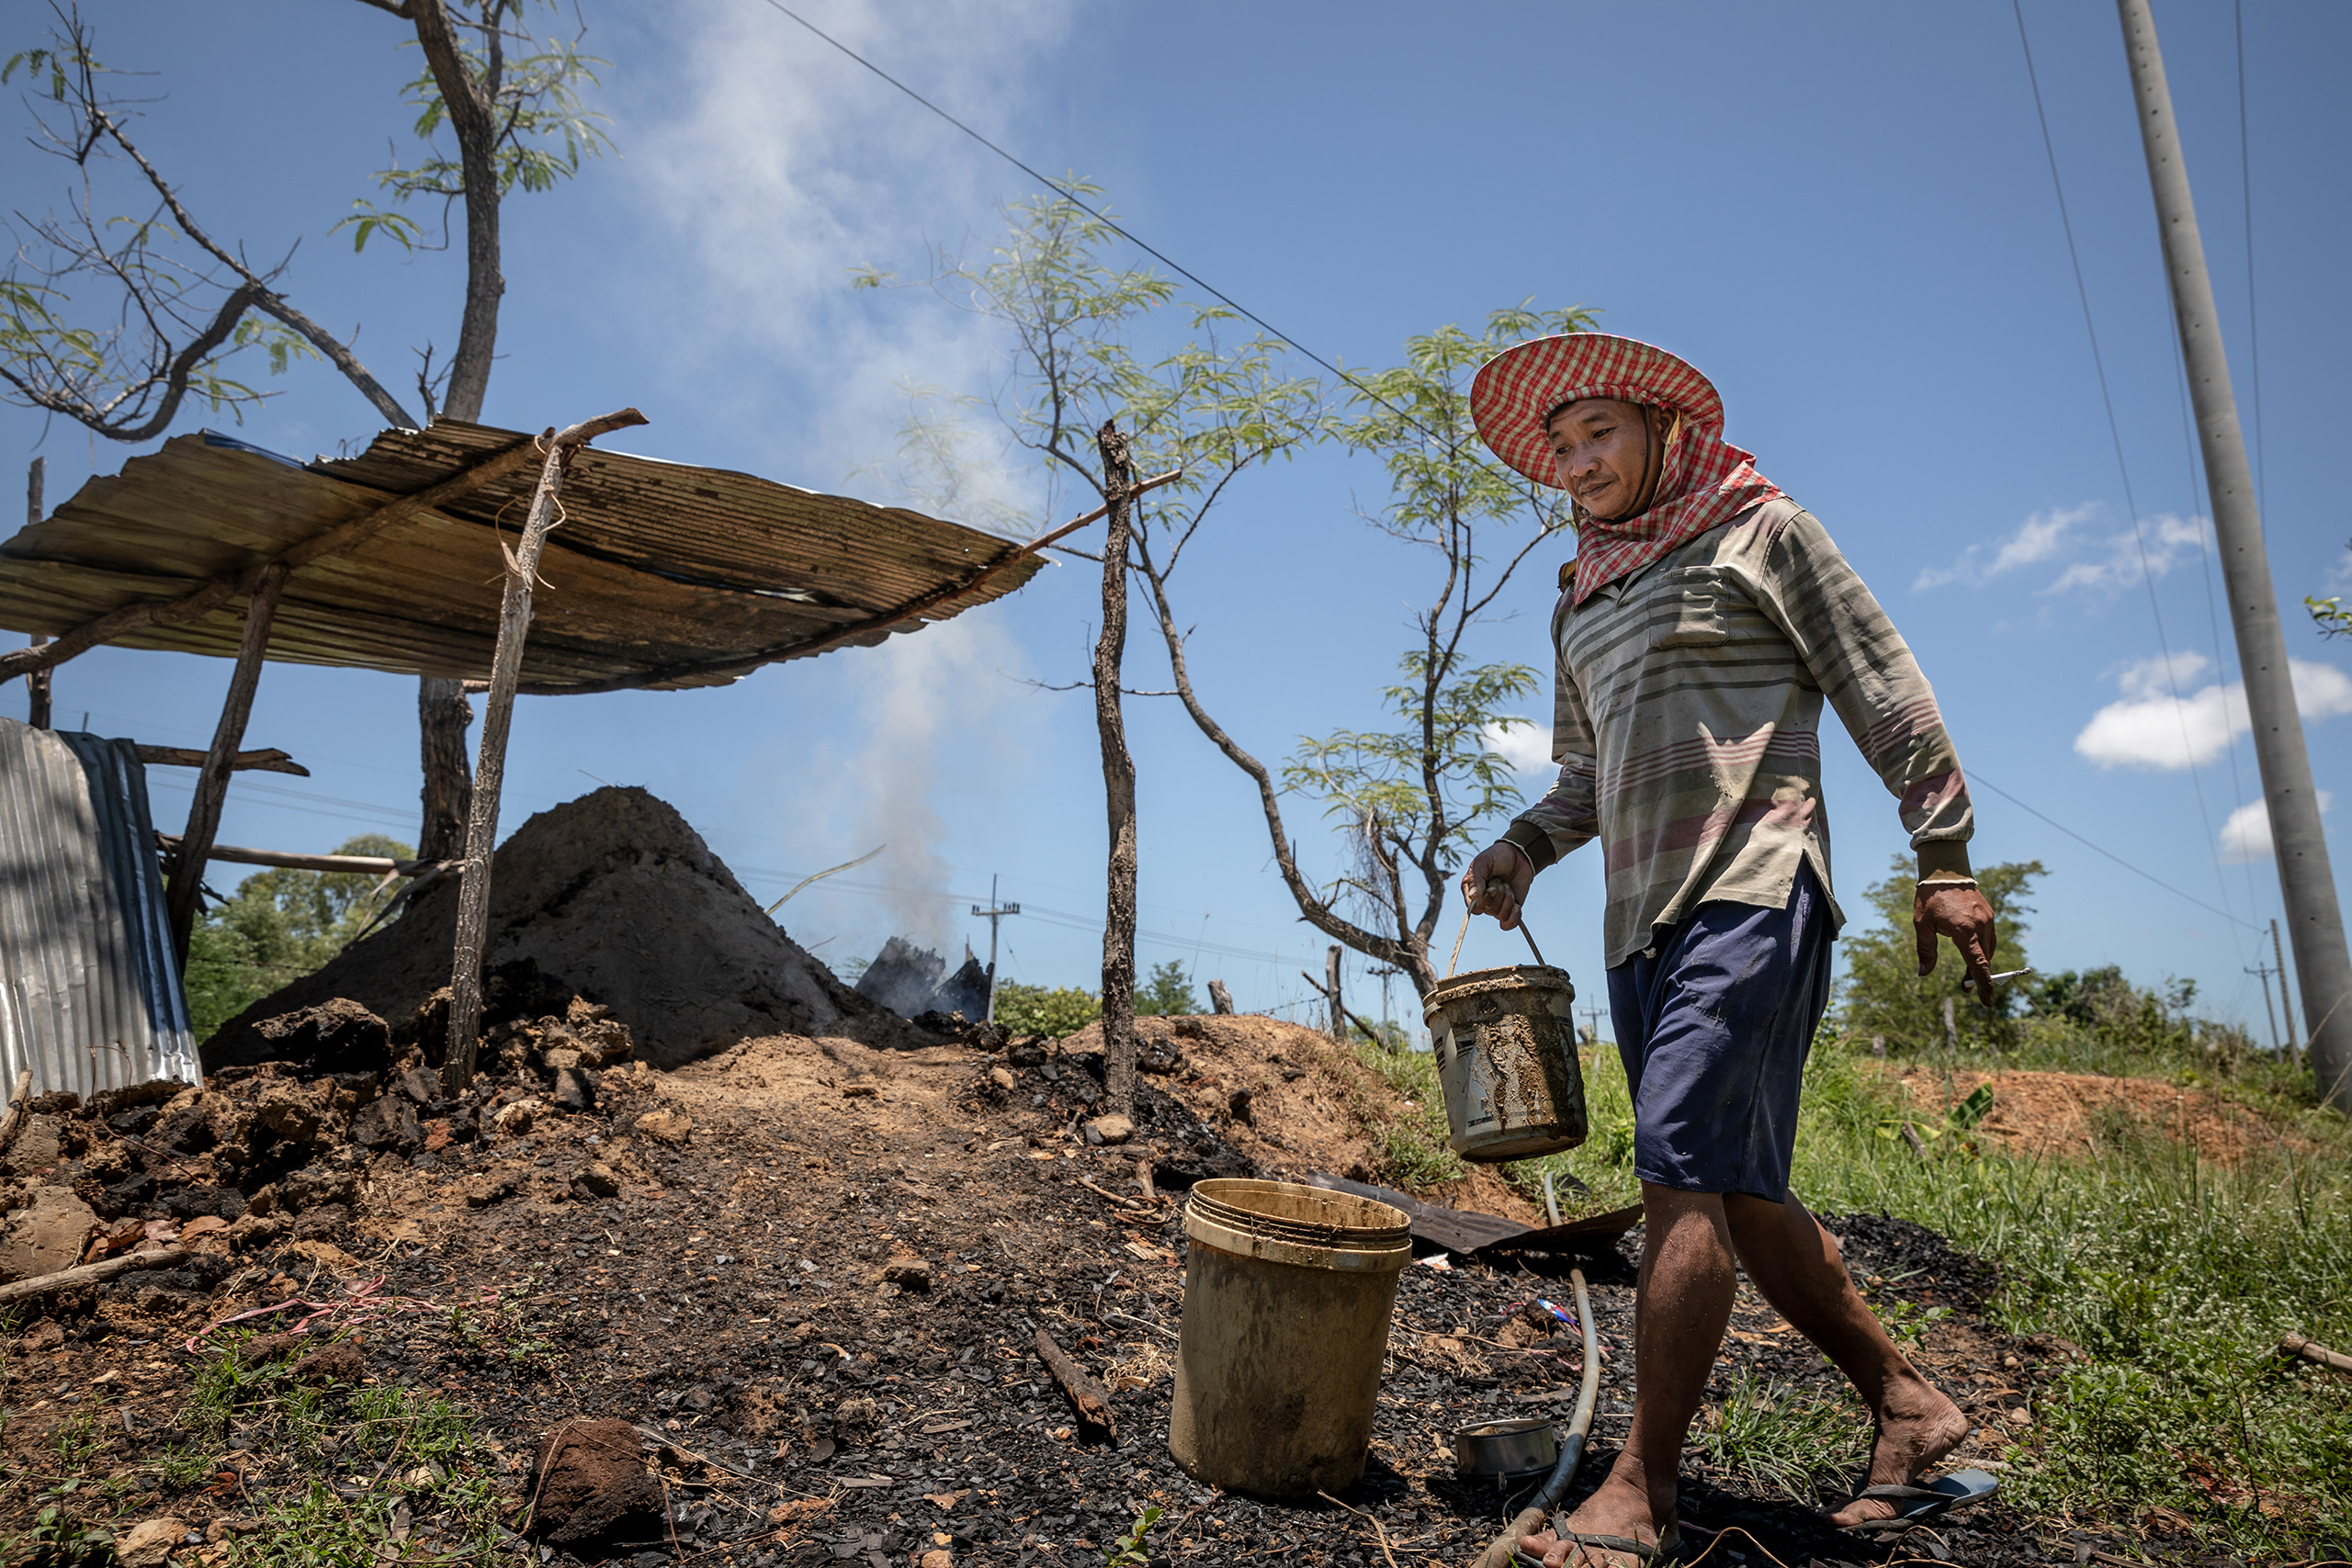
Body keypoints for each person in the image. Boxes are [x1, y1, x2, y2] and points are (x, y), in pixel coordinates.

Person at [1457, 333, 2000, 1566]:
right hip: (1640, 918)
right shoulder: (1580, 594)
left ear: (1664, 432)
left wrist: (1946, 857)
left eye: (1602, 434)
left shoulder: (1762, 530)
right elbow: (1589, 776)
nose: (1582, 462)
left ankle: (1641, 1488)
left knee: (1680, 1171)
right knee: (1742, 1196)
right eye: (1563, 445)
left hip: (1754, 887)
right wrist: (1522, 848)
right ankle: (1912, 1407)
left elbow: (1881, 682)